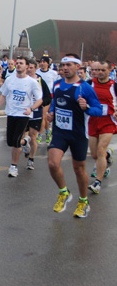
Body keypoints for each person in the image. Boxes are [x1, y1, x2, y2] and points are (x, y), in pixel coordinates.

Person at [47, 54, 103, 218]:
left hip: (78, 134)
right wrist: (51, 113)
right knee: (52, 163)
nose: (65, 68)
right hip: (60, 131)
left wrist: (86, 108)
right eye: (63, 65)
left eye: (69, 65)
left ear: (78, 67)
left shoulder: (84, 87)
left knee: (79, 169)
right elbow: (54, 103)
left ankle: (83, 201)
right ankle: (64, 192)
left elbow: (98, 110)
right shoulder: (57, 84)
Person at [0, 57, 43, 178]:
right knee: (10, 142)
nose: (18, 65)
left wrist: (31, 109)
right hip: (11, 113)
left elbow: (40, 99)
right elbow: (3, 96)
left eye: (21, 63)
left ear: (27, 66)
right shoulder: (9, 80)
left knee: (16, 141)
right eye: (17, 63)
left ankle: (13, 167)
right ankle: (26, 141)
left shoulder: (32, 82)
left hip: (23, 114)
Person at [87, 60, 117, 194]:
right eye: (98, 70)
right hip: (93, 120)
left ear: (110, 71)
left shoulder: (114, 86)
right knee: (94, 154)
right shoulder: (90, 84)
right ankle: (106, 159)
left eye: (103, 70)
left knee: (100, 150)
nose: (99, 72)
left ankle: (97, 183)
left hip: (108, 121)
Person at [22, 59, 52, 170]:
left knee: (33, 136)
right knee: (19, 137)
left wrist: (39, 104)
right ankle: (25, 143)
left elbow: (48, 97)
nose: (29, 70)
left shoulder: (40, 80)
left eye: (31, 68)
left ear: (35, 68)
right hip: (23, 112)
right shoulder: (21, 79)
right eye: (28, 67)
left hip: (35, 113)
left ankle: (31, 160)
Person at [37, 56, 60, 144]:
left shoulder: (53, 73)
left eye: (44, 62)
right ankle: (48, 131)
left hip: (48, 96)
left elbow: (55, 85)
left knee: (43, 115)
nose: (42, 63)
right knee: (44, 116)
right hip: (39, 96)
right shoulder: (37, 72)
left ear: (48, 63)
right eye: (41, 62)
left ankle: (39, 134)